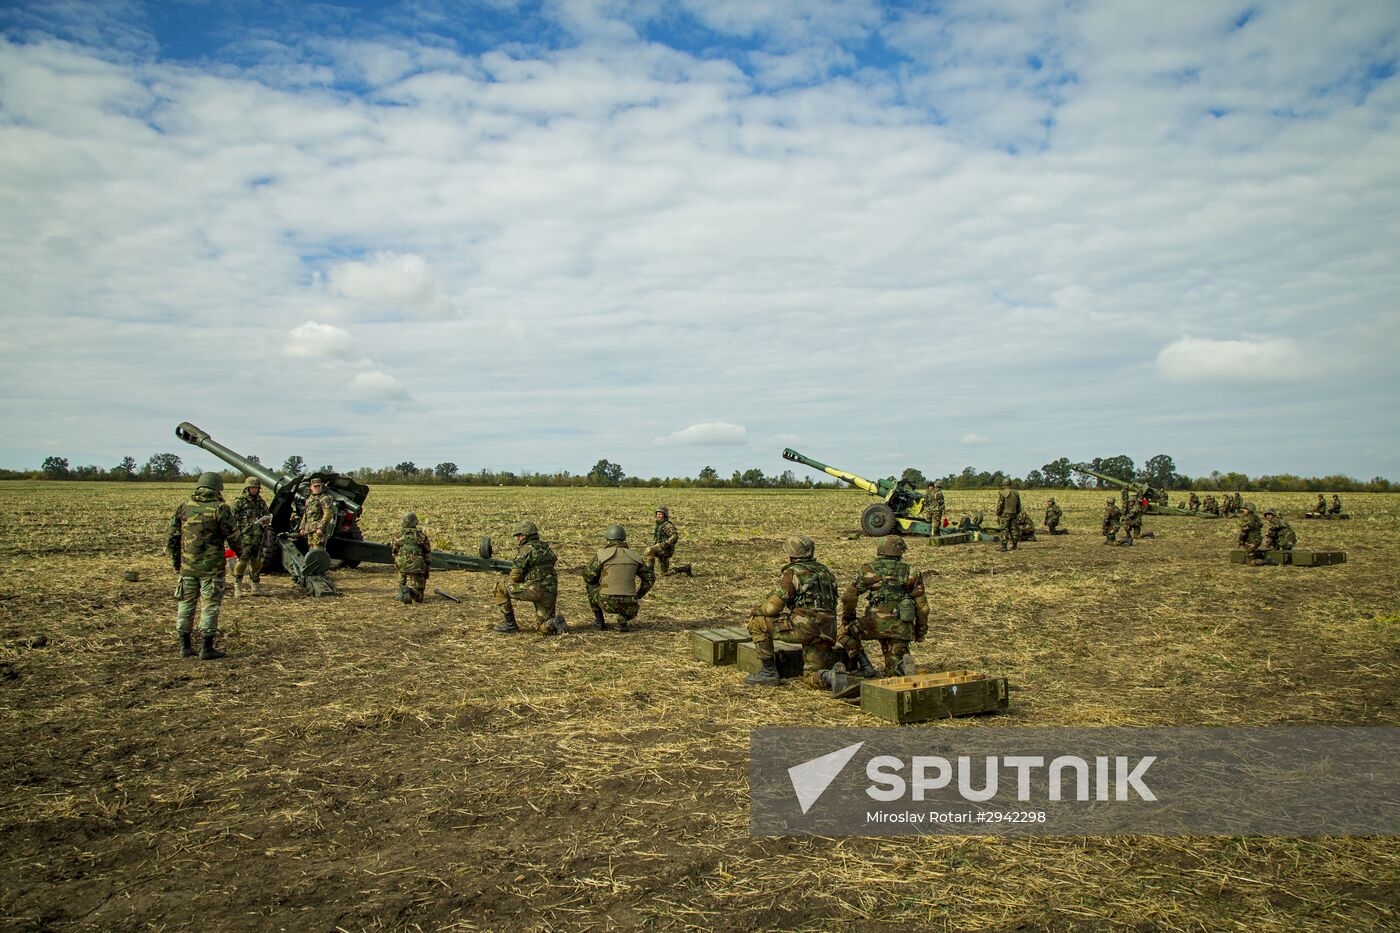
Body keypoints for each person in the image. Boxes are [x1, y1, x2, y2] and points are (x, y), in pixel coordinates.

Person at [743, 535, 861, 689]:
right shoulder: (826, 572)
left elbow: (773, 608)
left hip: (804, 628)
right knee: (811, 676)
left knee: (758, 623)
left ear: (790, 555)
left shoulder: (793, 572)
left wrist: (756, 610)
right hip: (827, 631)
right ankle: (829, 676)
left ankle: (768, 672)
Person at [166, 472, 240, 660]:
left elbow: (173, 539)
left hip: (188, 567)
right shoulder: (220, 509)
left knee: (186, 604)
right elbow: (233, 537)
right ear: (217, 489)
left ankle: (185, 646)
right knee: (210, 606)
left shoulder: (183, 507)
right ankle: (206, 648)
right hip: (212, 569)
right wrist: (242, 554)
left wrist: (177, 563)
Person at [840, 536, 928, 684]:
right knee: (893, 667)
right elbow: (923, 608)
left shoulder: (868, 570)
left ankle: (866, 666)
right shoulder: (912, 572)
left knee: (842, 632)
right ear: (900, 552)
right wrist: (920, 631)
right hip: (901, 627)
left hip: (873, 624)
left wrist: (848, 618)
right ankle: (901, 667)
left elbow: (848, 597)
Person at [494, 520, 566, 635]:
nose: (517, 538)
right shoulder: (546, 548)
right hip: (550, 592)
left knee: (500, 585)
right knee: (543, 629)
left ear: (526, 535)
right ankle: (553, 623)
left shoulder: (526, 550)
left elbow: (515, 577)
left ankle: (510, 625)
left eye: (519, 535)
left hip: (534, 590)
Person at [583, 525, 655, 632]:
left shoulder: (602, 555)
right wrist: (638, 595)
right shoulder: (635, 556)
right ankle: (624, 618)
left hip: (607, 603)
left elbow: (588, 576)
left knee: (590, 585)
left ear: (608, 540)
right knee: (626, 603)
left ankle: (600, 622)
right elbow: (650, 578)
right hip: (630, 605)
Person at [230, 476, 270, 597]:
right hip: (244, 537)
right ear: (247, 488)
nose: (254, 490)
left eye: (256, 488)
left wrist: (264, 521)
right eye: (252, 488)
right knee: (242, 562)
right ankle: (238, 587)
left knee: (256, 562)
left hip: (258, 537)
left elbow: (267, 514)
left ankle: (255, 587)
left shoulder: (260, 501)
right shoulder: (240, 501)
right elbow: (231, 519)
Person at [391, 512, 432, 604]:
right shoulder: (421, 536)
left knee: (402, 580)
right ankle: (410, 592)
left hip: (402, 566)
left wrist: (398, 564)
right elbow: (428, 554)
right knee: (419, 599)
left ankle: (403, 591)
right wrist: (426, 569)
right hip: (417, 566)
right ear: (415, 522)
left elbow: (394, 552)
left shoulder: (397, 536)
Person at [645, 506, 692, 576]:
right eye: (657, 514)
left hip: (666, 549)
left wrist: (664, 544)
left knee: (649, 550)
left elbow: (674, 536)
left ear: (665, 515)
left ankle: (650, 573)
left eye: (660, 514)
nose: (658, 516)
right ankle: (684, 568)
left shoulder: (667, 525)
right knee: (664, 573)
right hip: (663, 548)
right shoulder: (660, 524)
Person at [299, 477, 336, 549]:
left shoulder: (324, 499)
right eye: (315, 486)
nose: (317, 488)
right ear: (311, 487)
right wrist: (302, 527)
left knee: (318, 552)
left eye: (319, 486)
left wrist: (320, 528)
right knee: (312, 552)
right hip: (309, 531)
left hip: (318, 532)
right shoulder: (309, 499)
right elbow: (306, 514)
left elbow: (327, 514)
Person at [995, 481, 1022, 551]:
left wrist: (997, 514)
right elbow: (1018, 505)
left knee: (1004, 529)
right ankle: (1015, 545)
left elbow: (1000, 505)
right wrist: (1017, 513)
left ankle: (1004, 546)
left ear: (1003, 484)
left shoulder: (1003, 493)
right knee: (1014, 529)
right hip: (1014, 513)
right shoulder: (1016, 493)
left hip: (1005, 513)